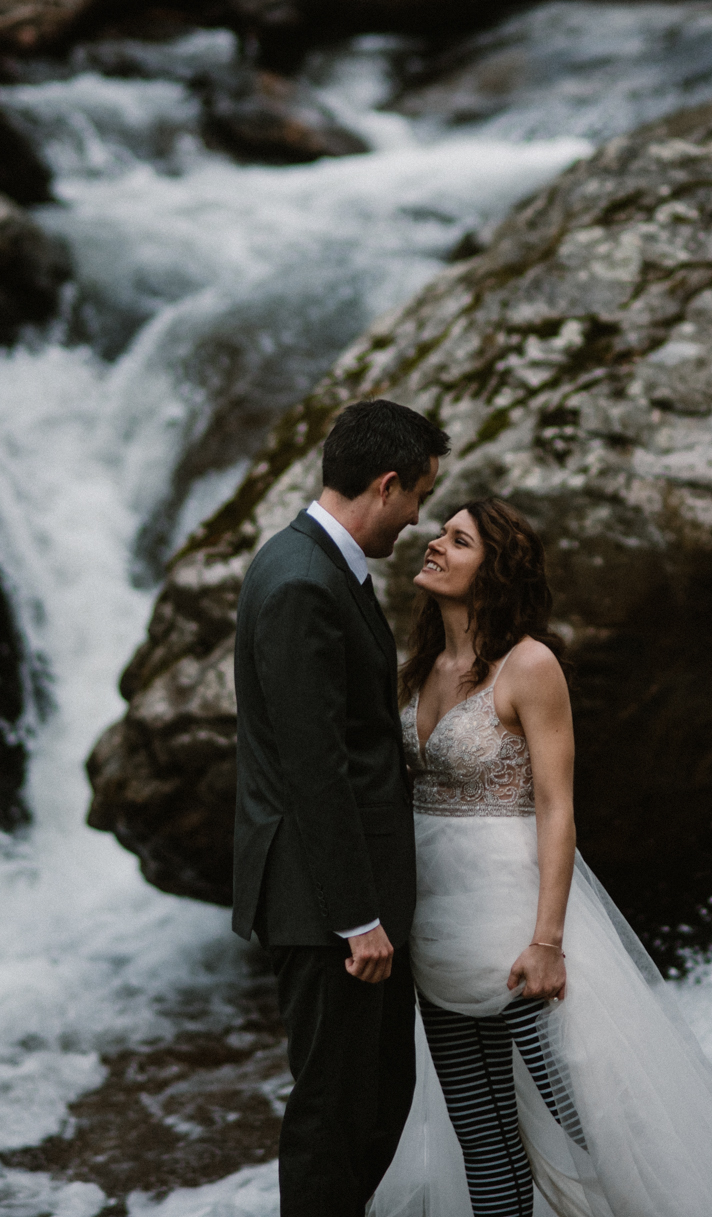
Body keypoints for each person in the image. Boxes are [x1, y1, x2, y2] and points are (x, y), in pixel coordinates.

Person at [370, 497, 712, 1217]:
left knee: (598, 1127)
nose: (434, 545)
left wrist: (547, 941)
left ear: (496, 569)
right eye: (438, 533)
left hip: (516, 927)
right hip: (437, 932)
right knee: (484, 1139)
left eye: (458, 540)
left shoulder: (531, 664)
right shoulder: (420, 665)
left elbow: (557, 808)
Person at [230, 397, 450, 1217]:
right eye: (420, 494)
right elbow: (313, 768)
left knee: (377, 1095)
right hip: (325, 905)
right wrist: (357, 917)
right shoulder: (299, 583)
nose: (419, 516)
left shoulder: (315, 567)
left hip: (341, 897)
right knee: (334, 1111)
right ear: (386, 484)